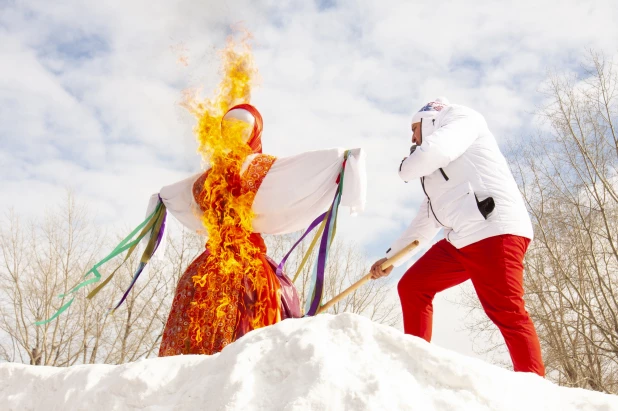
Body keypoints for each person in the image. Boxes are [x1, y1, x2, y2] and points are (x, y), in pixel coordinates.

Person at [157, 104, 366, 356]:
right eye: (229, 127)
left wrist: (341, 158)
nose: (235, 132)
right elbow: (184, 189)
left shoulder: (264, 168)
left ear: (254, 131)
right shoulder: (211, 176)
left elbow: (298, 170)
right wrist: (162, 197)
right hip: (211, 261)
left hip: (249, 264)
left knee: (257, 307)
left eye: (242, 127)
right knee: (193, 298)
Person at [370, 97, 545, 376]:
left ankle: (536, 389)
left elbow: (425, 157)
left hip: (494, 229)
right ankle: (416, 366)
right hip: (462, 238)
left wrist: (406, 165)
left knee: (506, 310)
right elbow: (428, 218)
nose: (412, 138)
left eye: (414, 129)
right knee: (413, 286)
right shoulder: (434, 175)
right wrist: (391, 258)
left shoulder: (462, 119)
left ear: (429, 120)